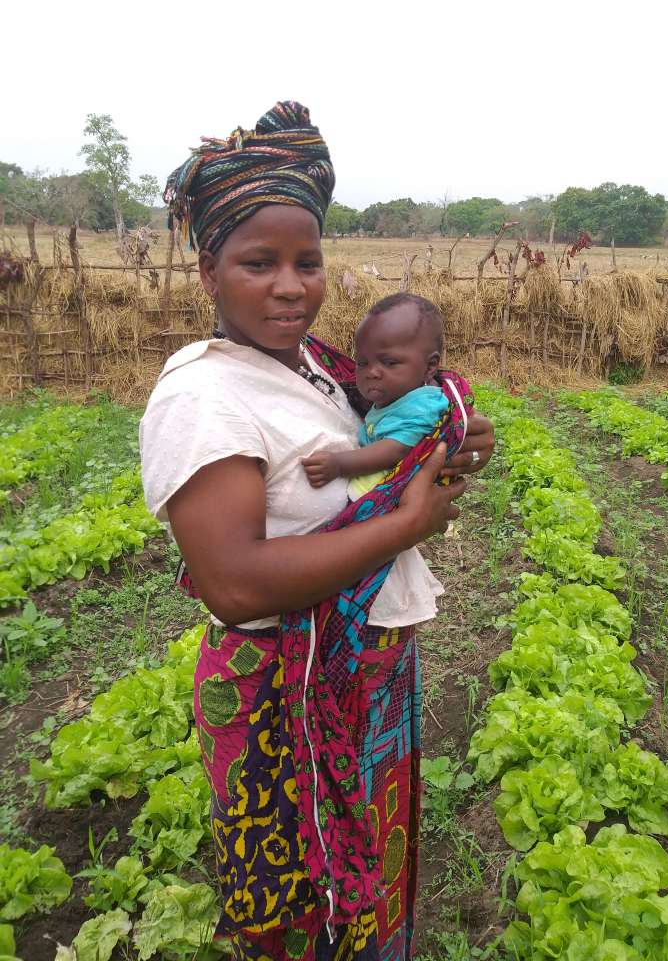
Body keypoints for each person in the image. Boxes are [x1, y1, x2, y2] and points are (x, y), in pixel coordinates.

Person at [139, 101, 494, 961]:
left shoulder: (317, 370)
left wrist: (443, 456)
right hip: (280, 702)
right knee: (309, 912)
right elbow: (234, 582)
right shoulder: (203, 396)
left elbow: (370, 477)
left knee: (374, 876)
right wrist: (406, 519)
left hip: (359, 676)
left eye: (309, 260)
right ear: (208, 271)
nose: (292, 285)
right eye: (259, 262)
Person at [301, 293, 456, 500]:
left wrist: (339, 465)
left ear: (430, 367)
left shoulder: (421, 405)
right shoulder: (396, 396)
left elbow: (396, 449)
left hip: (384, 505)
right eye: (363, 363)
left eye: (390, 362)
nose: (372, 372)